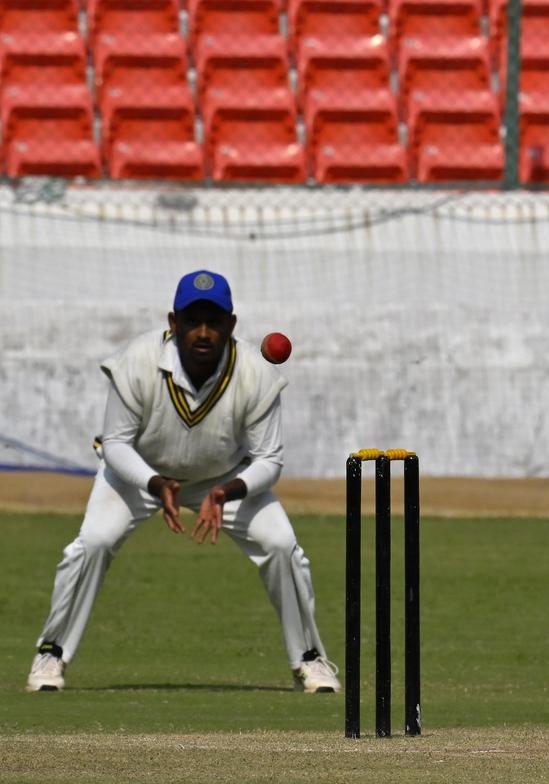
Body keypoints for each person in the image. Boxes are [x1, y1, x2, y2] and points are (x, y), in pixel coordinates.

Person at [26, 270, 340, 694]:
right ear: (173, 323)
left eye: (214, 321)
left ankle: (309, 658)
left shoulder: (257, 374)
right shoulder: (135, 362)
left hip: (224, 480)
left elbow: (269, 460)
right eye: (193, 321)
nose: (204, 332)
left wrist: (225, 492)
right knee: (93, 542)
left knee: (283, 546)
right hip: (140, 473)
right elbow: (116, 446)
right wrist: (155, 484)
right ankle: (51, 653)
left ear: (232, 324)